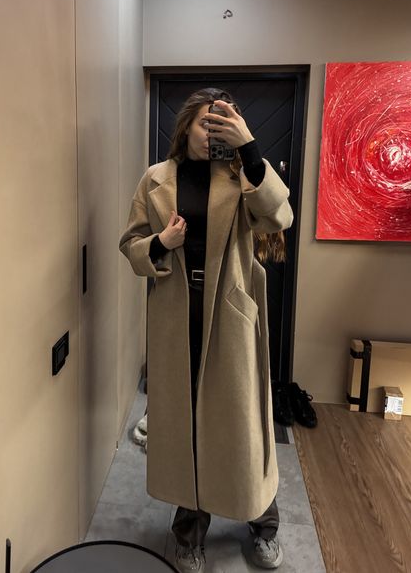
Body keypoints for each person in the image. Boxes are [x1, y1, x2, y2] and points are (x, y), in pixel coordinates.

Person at [119, 88, 293, 572]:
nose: (211, 132)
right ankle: (189, 534)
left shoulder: (243, 175)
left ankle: (264, 524)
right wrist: (161, 241)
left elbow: (279, 216)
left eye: (221, 124)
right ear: (186, 127)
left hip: (230, 313)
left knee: (242, 424)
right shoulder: (156, 178)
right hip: (177, 313)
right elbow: (131, 244)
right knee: (185, 426)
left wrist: (249, 147)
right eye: (204, 123)